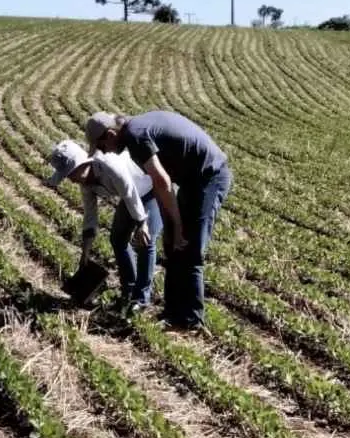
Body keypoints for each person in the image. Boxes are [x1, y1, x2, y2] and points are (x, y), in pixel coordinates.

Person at [85, 111, 231, 332]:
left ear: (111, 133)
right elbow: (163, 184)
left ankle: (192, 320)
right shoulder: (136, 130)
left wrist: (179, 225)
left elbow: (162, 181)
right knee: (172, 245)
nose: (103, 151)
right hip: (190, 180)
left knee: (191, 250)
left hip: (209, 177)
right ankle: (172, 313)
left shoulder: (135, 136)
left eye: (101, 145)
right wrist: (173, 227)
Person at [46, 139, 163, 312]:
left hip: (150, 189)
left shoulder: (110, 164)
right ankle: (128, 290)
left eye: (70, 174)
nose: (70, 180)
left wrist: (142, 224)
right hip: (129, 196)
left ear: (81, 164)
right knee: (117, 239)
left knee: (145, 242)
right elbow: (90, 217)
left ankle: (141, 299)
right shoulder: (86, 184)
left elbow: (130, 191)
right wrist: (84, 254)